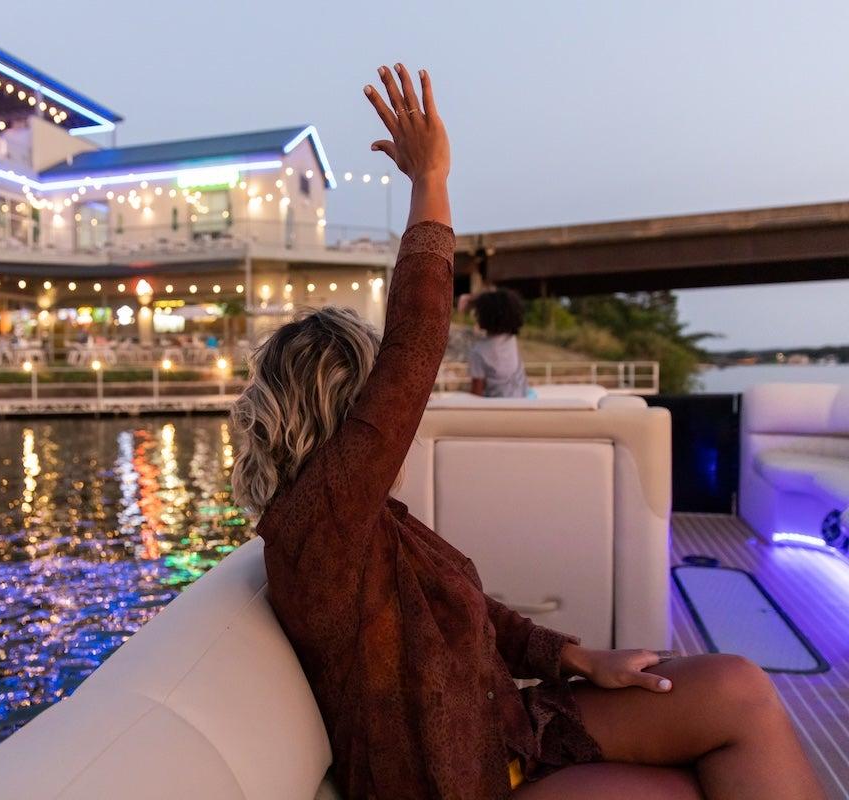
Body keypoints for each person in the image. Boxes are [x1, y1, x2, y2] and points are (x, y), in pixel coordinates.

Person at [229, 63, 823, 799]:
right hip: (457, 779)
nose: (401, 417)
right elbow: (416, 348)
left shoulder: (366, 521)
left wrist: (577, 658)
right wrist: (431, 179)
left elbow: (470, 618)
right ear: (347, 410)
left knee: (736, 686)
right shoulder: (319, 530)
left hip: (510, 727)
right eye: (379, 395)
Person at [469, 288, 532, 397]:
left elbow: (476, 393)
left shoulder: (478, 352)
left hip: (497, 407)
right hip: (523, 401)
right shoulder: (511, 339)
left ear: (482, 315)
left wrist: (469, 300)